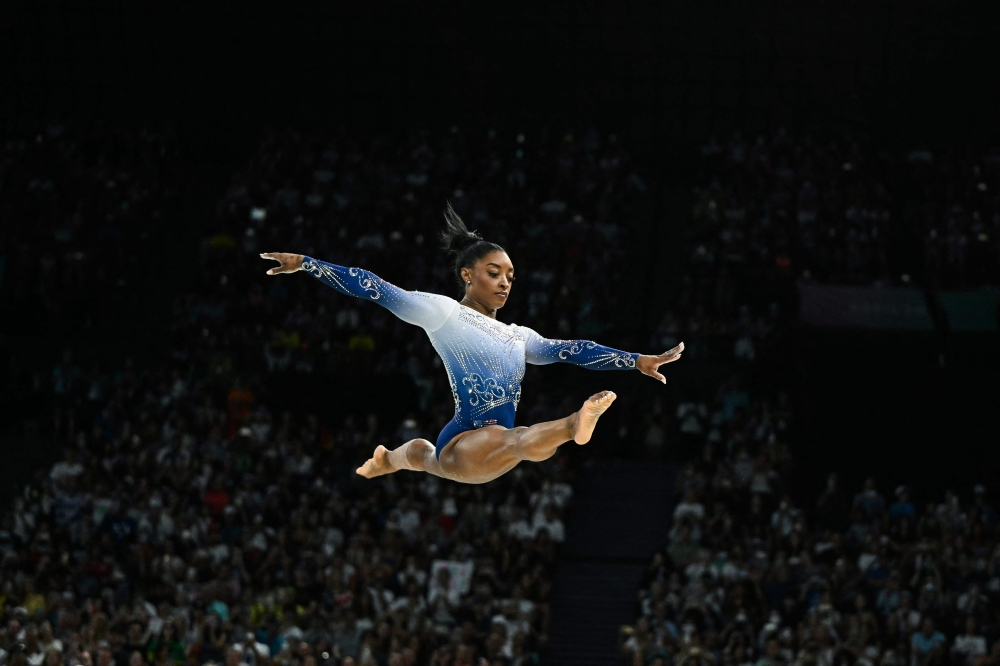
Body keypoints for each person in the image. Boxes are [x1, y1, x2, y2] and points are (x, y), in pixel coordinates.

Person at [260, 204, 683, 484]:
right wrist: (308, 264)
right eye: (494, 273)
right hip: (465, 442)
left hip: (486, 446)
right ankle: (575, 424)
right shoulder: (443, 312)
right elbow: (374, 287)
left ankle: (388, 459)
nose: (504, 283)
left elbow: (572, 349)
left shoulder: (519, 336)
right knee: (517, 441)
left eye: (510, 277)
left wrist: (635, 360)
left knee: (429, 456)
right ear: (467, 275)